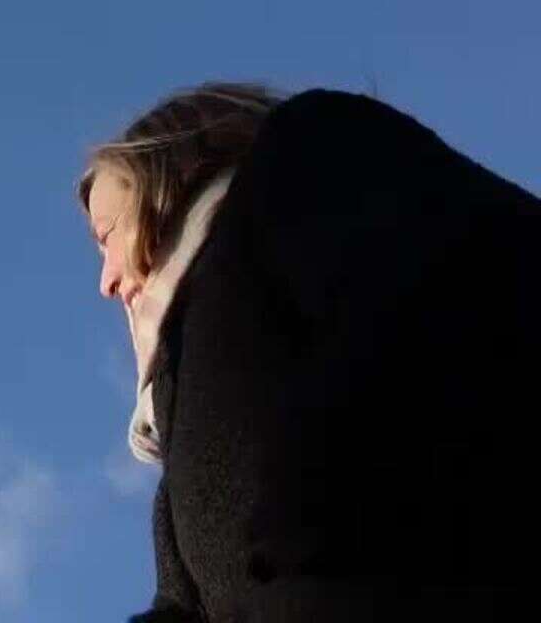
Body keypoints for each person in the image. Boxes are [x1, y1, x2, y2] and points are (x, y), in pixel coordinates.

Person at [80, 84, 539, 621]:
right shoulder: (175, 409)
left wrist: (318, 547)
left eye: (105, 235)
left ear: (163, 172)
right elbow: (182, 606)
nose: (106, 282)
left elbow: (470, 283)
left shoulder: (311, 152)